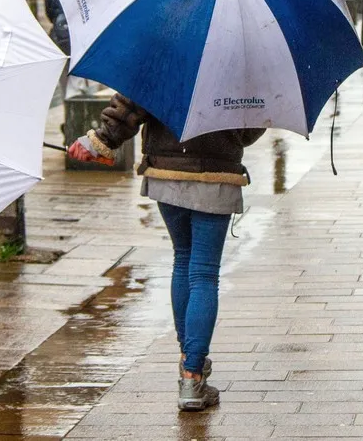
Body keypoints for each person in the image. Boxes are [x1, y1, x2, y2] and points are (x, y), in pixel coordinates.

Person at [67, 97, 264, 412]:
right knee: (203, 273)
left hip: (166, 172)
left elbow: (133, 103)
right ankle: (193, 375)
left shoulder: (162, 49)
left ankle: (189, 361)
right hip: (218, 175)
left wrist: (100, 141)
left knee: (183, 259)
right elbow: (248, 132)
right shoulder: (244, 62)